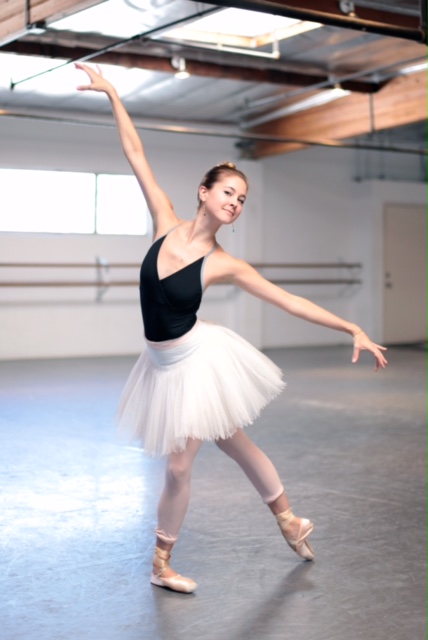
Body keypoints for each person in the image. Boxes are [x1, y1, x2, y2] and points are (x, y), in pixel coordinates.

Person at [75, 63, 388, 594]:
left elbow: (287, 300)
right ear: (204, 192)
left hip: (196, 363)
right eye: (229, 192)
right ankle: (290, 521)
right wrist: (112, 94)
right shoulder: (163, 221)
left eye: (242, 199)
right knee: (236, 443)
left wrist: (351, 325)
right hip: (160, 365)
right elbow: (135, 153)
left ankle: (161, 564)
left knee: (179, 467)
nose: (235, 203)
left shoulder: (225, 264)